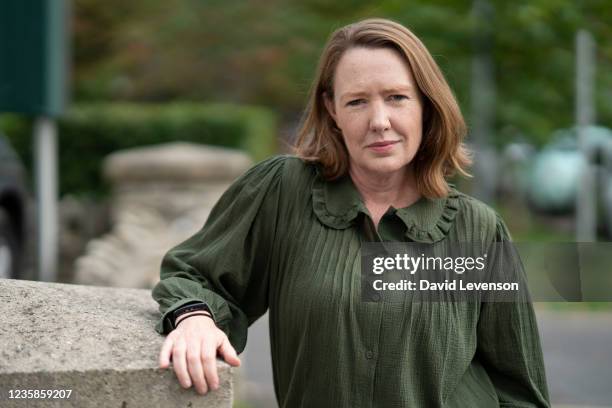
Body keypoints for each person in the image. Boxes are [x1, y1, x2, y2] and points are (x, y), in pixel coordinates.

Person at [153, 18, 550, 407]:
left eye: (397, 97)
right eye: (357, 102)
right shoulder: (282, 191)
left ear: (426, 105)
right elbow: (194, 273)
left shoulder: (477, 229)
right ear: (332, 110)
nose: (379, 122)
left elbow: (519, 390)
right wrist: (195, 318)